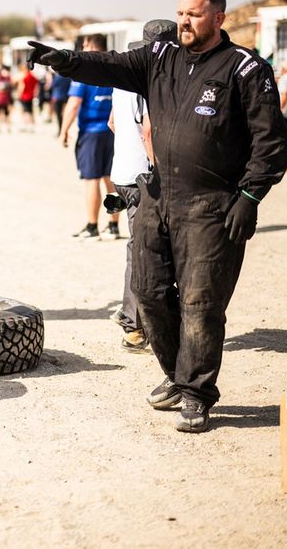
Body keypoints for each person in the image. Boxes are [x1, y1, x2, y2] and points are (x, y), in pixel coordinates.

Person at [28, 0, 287, 433]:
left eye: (195, 14)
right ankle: (176, 375)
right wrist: (64, 60)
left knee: (201, 302)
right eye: (181, 12)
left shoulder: (245, 69)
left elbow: (272, 141)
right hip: (157, 196)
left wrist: (249, 196)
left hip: (213, 205)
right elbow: (107, 65)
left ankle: (196, 394)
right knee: (147, 293)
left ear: (219, 18)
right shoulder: (160, 57)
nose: (185, 21)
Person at [107, 20, 176, 352]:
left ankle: (137, 321)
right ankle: (134, 324)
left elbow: (113, 123)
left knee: (140, 247)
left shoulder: (123, 80)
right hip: (144, 177)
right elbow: (150, 132)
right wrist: (158, 169)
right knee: (145, 251)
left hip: (122, 173)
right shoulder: (150, 80)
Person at [59, 34, 119, 241]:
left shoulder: (84, 74)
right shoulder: (115, 69)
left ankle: (92, 226)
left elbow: (73, 104)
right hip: (113, 132)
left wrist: (63, 130)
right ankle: (113, 226)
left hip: (91, 133)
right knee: (111, 179)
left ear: (93, 47)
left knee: (91, 179)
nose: (82, 49)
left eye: (84, 45)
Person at [16, 62, 39, 130]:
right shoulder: (32, 75)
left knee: (26, 111)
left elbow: (21, 87)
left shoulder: (24, 77)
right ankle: (32, 125)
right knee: (30, 110)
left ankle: (27, 126)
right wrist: (35, 93)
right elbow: (37, 85)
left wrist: (19, 94)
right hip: (31, 96)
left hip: (24, 96)